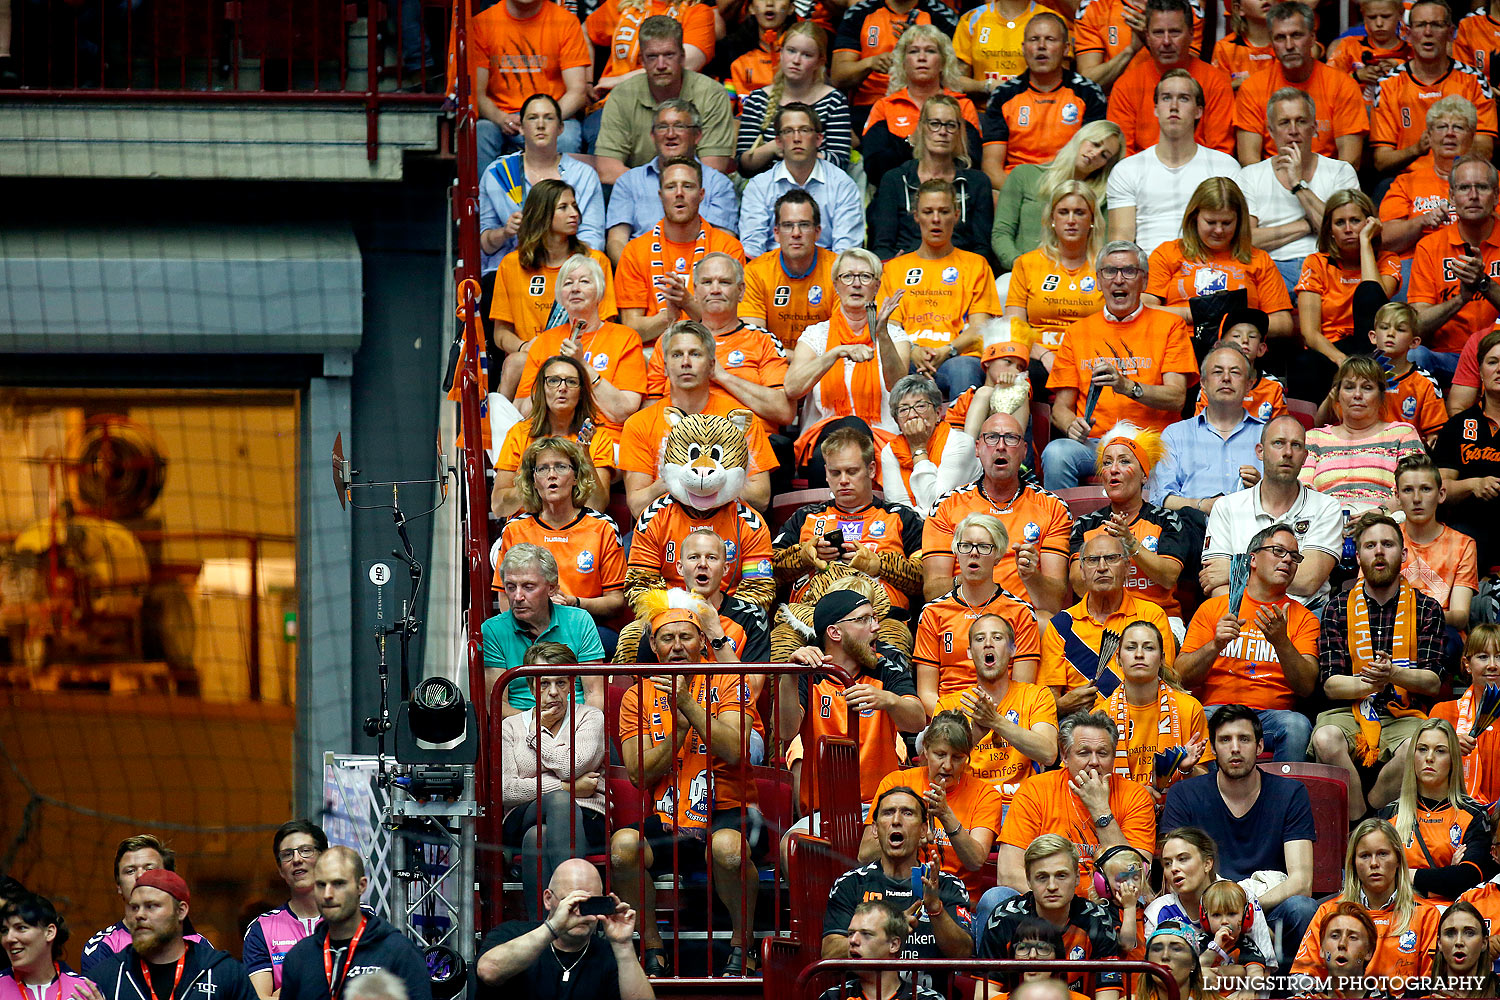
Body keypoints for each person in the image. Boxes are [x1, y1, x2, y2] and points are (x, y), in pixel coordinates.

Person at [610, 603, 765, 977]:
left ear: (701, 642)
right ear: (653, 643)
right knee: (621, 849)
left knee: (728, 850)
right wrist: (677, 734)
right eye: (667, 637)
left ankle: (743, 946)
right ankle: (652, 948)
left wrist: (687, 706)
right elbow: (638, 774)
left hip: (730, 807)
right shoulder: (637, 696)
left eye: (686, 636)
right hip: (666, 815)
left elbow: (734, 749)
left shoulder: (728, 679)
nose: (677, 646)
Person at [1311, 512, 1448, 815]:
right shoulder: (1337, 607)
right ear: (1358, 555)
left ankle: (1369, 815)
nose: (1379, 552)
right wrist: (1370, 681)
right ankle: (1361, 818)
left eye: (1387, 544)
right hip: (1349, 710)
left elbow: (1433, 681)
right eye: (1370, 546)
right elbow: (1331, 685)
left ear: (1403, 553)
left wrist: (1394, 674)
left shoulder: (1427, 608)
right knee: (1324, 737)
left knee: (1421, 745)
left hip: (1405, 714)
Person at [1159, 706, 1318, 961]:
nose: (1235, 748)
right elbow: (1174, 872)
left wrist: (1244, 910)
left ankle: (1294, 991)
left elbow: (1302, 882)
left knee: (1302, 907)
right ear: (1212, 749)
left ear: (1259, 746)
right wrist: (1223, 911)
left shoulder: (1290, 793)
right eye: (1225, 740)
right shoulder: (1185, 794)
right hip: (1205, 909)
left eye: (1244, 739)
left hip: (1268, 905)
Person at [1041, 240, 1197, 490]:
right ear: (1099, 281)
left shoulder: (1170, 325)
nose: (1119, 279)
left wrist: (1127, 386)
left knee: (1169, 461)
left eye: (1129, 271)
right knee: (1057, 452)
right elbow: (1060, 408)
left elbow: (1177, 397)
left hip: (1153, 443)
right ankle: (1062, 527)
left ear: (1144, 281)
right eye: (1110, 271)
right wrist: (1072, 424)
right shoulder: (1077, 332)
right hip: (1096, 444)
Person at [778, 590, 927, 824]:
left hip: (880, 809)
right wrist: (790, 676)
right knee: (789, 849)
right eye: (864, 619)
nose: (876, 626)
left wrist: (888, 699)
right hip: (822, 812)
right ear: (834, 632)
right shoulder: (809, 674)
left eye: (875, 618)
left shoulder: (885, 667)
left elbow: (918, 721)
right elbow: (786, 731)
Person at [1177, 527, 1319, 759]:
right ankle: (1208, 795)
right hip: (1217, 711)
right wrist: (1215, 645)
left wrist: (1281, 643)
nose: (1288, 560)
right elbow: (1181, 677)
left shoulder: (1304, 617)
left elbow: (1306, 687)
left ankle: (1284, 795)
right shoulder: (1213, 608)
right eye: (1278, 551)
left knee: (1298, 726)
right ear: (1252, 558)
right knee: (1191, 718)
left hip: (1273, 716)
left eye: (1294, 556)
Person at [617, 321, 779, 517]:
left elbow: (761, 498)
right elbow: (637, 506)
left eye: (695, 354)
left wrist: (712, 484)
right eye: (677, 355)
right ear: (665, 367)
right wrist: (679, 479)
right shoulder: (639, 423)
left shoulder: (739, 419)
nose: (685, 362)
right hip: (664, 528)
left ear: (711, 365)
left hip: (726, 529)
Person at [922, 411, 1072, 615]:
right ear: (977, 448)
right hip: (963, 615)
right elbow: (932, 592)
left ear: (1023, 450)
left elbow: (1053, 603)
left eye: (1011, 438)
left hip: (1022, 619)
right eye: (991, 438)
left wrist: (1031, 576)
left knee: (1046, 620)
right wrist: (969, 578)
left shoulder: (1053, 508)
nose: (1001, 446)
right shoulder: (947, 506)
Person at [500, 643, 607, 918]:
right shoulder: (510, 727)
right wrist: (566, 787)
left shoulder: (590, 717)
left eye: (561, 682)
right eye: (544, 682)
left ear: (572, 684)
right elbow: (507, 790)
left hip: (587, 817)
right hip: (524, 815)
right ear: (531, 686)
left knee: (539, 837)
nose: (553, 692)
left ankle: (546, 933)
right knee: (561, 799)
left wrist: (539, 735)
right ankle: (577, 912)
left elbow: (573, 766)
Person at [772, 427, 924, 618]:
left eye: (852, 471)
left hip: (881, 620)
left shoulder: (901, 517)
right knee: (782, 642)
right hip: (809, 619)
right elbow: (768, 570)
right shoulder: (804, 517)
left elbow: (924, 577)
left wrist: (878, 564)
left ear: (871, 470)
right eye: (836, 473)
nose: (843, 480)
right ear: (826, 473)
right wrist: (803, 556)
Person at [996, 711, 1157, 891]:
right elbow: (1008, 873)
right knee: (996, 896)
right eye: (1084, 752)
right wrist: (1063, 905)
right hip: (1048, 904)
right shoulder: (1035, 789)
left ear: (1113, 758)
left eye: (1103, 753)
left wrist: (1100, 809)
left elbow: (1134, 878)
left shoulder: (1135, 795)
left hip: (1111, 906)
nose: (1094, 761)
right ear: (1064, 756)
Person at [1200, 414, 1344, 610]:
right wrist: (1251, 622)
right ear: (1260, 451)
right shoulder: (1226, 507)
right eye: (1278, 443)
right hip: (1238, 615)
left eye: (1296, 445)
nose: (1287, 452)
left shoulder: (1326, 508)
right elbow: (1215, 583)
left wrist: (1235, 570)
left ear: (1305, 457)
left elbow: (1309, 580)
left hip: (1303, 614)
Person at [641, 253, 793, 437]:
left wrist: (721, 376)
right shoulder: (672, 340)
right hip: (680, 444)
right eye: (706, 282)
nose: (715, 290)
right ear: (695, 291)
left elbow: (784, 412)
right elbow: (649, 409)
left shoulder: (763, 340)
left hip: (749, 444)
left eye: (724, 282)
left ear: (741, 291)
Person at [876, 180, 1002, 400]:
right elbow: (890, 327)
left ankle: (961, 433)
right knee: (888, 365)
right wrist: (913, 350)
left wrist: (948, 350)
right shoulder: (895, 268)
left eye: (943, 211)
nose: (936, 219)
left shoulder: (976, 265)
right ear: (916, 216)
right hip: (908, 357)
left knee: (963, 369)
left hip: (957, 357)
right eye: (928, 211)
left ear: (956, 214)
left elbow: (980, 328)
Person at [822, 785, 974, 964]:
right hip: (864, 991)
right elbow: (829, 952)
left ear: (923, 830)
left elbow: (964, 952)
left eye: (907, 813)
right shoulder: (851, 883)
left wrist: (935, 909)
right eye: (888, 813)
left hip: (929, 992)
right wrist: (888, 928)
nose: (896, 820)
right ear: (875, 830)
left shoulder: (947, 885)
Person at [863, 713, 1005, 901]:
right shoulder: (896, 783)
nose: (947, 766)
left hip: (956, 899)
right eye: (940, 755)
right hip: (896, 893)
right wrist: (910, 836)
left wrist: (946, 815)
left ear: (968, 758)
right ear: (926, 751)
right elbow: (864, 854)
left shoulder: (985, 795)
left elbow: (975, 861)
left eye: (957, 757)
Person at [1105, 70, 1243, 256]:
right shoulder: (1127, 170)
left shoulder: (1225, 167)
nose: (1174, 106)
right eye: (1166, 98)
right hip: (1149, 271)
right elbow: (1121, 243)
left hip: (1208, 269)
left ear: (1198, 111)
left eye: (1184, 98)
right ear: (1155, 108)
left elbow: (1237, 238)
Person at [507, 253, 645, 436]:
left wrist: (582, 365)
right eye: (568, 283)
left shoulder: (625, 338)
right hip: (549, 440)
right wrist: (555, 375)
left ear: (600, 292)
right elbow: (523, 411)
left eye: (584, 282)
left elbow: (624, 411)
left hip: (603, 439)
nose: (575, 289)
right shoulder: (544, 341)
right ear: (560, 297)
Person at [1069, 424, 1195, 624]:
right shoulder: (1086, 525)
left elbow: (1169, 576)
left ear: (1144, 475)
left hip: (1159, 619)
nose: (1113, 470)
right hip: (1101, 620)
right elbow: (1079, 585)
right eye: (1107, 463)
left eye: (1124, 461)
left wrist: (1130, 543)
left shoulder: (1167, 519)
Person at [475, 859, 653, 1000]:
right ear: (548, 899)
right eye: (571, 902)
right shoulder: (512, 933)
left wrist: (623, 945)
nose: (578, 912)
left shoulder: (609, 954)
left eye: (589, 904)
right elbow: (488, 971)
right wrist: (553, 928)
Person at [613, 159, 745, 348]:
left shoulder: (727, 249)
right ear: (660, 195)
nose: (679, 194)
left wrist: (687, 302)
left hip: (716, 349)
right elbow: (632, 330)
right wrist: (669, 316)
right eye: (670, 187)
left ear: (701, 195)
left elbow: (730, 325)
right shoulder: (635, 251)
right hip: (652, 353)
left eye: (688, 186)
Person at [916, 514, 1043, 711]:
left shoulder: (1021, 612)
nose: (973, 553)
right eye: (966, 545)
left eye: (984, 547)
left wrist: (992, 720)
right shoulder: (933, 612)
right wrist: (958, 722)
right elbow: (926, 694)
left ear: (998, 556)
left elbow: (1023, 691)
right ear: (956, 553)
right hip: (949, 720)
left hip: (1003, 718)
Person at [1144, 176, 1294, 342]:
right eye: (1210, 222)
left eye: (1227, 222)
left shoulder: (1259, 259)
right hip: (1179, 342)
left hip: (1237, 347)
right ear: (1195, 218)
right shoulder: (1168, 252)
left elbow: (1283, 324)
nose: (1219, 230)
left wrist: (1232, 321)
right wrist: (1196, 314)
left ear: (1239, 221)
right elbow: (1144, 309)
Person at [1041, 532, 1177, 714]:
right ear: (1081, 571)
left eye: (1111, 558)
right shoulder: (1062, 625)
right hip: (1080, 725)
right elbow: (1049, 699)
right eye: (1093, 560)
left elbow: (1164, 680)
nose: (1102, 567)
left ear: (1127, 567)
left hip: (1141, 715)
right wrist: (1063, 706)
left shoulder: (1150, 615)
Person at [1242, 89, 1363, 293]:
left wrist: (1298, 185)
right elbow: (1246, 240)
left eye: (1301, 121)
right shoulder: (1250, 175)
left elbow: (1345, 233)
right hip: (1271, 268)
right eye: (1284, 123)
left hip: (1329, 266)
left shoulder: (1340, 171)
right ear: (1270, 131)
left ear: (1314, 127)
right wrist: (1307, 225)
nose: (1293, 130)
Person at [1291, 818, 1441, 981]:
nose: (1374, 863)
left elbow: (1432, 986)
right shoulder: (1328, 912)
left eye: (1383, 854)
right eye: (1365, 856)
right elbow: (1302, 978)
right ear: (1353, 863)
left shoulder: (1426, 915)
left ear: (1398, 859)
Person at [976, 835, 1123, 1000]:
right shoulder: (1004, 918)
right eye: (1042, 877)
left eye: (1061, 875)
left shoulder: (1098, 920)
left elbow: (1108, 997)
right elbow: (983, 995)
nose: (1052, 886)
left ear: (1076, 878)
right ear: (1029, 881)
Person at [591, 17, 735, 185]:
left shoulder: (711, 94)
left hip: (697, 195)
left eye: (668, 55)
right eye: (652, 56)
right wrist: (659, 190)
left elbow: (713, 169)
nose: (661, 65)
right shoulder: (622, 94)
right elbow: (607, 170)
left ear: (682, 57)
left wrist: (672, 191)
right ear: (642, 61)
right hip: (638, 193)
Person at [783, 248, 908, 440]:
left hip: (882, 443)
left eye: (865, 277)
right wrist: (835, 353)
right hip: (824, 445)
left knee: (858, 433)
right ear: (836, 285)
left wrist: (881, 333)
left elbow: (898, 388)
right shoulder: (815, 335)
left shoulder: (895, 336)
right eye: (847, 276)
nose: (856, 284)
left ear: (877, 286)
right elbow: (792, 389)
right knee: (849, 430)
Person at [490, 181, 617, 365]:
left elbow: (606, 324)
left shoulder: (595, 261)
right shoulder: (511, 265)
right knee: (515, 363)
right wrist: (525, 347)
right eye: (563, 207)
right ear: (542, 213)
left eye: (574, 206)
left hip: (581, 356)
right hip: (528, 358)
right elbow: (501, 333)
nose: (574, 214)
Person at [936, 614, 1059, 803]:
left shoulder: (1036, 696)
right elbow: (939, 763)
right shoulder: (949, 703)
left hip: (1021, 804)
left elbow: (1049, 753)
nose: (988, 644)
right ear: (969, 652)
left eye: (997, 637)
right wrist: (975, 733)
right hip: (969, 804)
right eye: (979, 638)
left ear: (1013, 650)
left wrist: (995, 721)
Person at [602, 99, 740, 263]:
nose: (670, 134)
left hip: (700, 275)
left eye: (679, 126)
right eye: (662, 127)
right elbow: (616, 241)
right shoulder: (629, 182)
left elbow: (724, 244)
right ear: (653, 136)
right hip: (642, 271)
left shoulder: (718, 184)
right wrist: (642, 275)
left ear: (697, 135)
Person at [279, 850, 430, 1000]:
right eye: (320, 885)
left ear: (361, 886)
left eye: (338, 883)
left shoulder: (399, 952)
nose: (327, 894)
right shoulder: (299, 956)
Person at [979, 14, 1108, 189]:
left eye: (1050, 39)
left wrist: (1059, 193)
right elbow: (991, 167)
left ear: (1065, 49)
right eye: (1034, 39)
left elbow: (1093, 161)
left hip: (1070, 187)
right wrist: (1021, 195)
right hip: (1016, 188)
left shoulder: (1088, 93)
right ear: (1024, 48)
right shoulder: (1003, 96)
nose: (1041, 46)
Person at [1370, 0, 1498, 177]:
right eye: (1421, 25)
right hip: (1409, 181)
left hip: (1462, 178)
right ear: (1407, 33)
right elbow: (1381, 161)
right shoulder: (1388, 84)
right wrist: (1416, 149)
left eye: (1436, 25)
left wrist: (1451, 155)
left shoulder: (1474, 80)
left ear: (1451, 33)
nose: (1428, 32)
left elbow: (1485, 148)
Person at [478, 94, 603, 273]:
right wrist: (506, 232)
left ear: (561, 128)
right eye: (532, 118)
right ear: (521, 127)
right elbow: (485, 245)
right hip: (511, 271)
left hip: (568, 273)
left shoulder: (583, 175)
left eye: (549, 118)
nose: (541, 125)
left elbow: (593, 239)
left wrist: (559, 264)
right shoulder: (498, 172)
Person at [1374, 718, 1497, 900]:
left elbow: (1467, 878)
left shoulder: (1474, 815)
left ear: (1453, 759)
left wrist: (1404, 874)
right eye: (1422, 749)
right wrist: (1445, 873)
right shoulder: (1389, 814)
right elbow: (1374, 876)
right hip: (1396, 915)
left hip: (1451, 920)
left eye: (1440, 751)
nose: (1429, 757)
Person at [1231, 2, 1366, 168]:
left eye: (1296, 35)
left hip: (1328, 182)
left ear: (1312, 38)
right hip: (1272, 181)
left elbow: (1350, 162)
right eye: (1280, 38)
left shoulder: (1342, 85)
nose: (1289, 46)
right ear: (1271, 43)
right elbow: (1249, 161)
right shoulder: (1253, 87)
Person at [1293, 192, 1403, 395]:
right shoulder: (1316, 263)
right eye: (1340, 223)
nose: (1349, 229)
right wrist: (1342, 360)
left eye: (1355, 221)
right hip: (1330, 349)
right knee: (1303, 363)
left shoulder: (1388, 260)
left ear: (1370, 224)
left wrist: (1365, 243)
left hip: (1373, 345)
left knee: (1368, 292)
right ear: (1330, 230)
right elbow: (1310, 333)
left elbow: (1375, 297)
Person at [88, 870, 254, 1000]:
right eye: (134, 907)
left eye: (151, 906)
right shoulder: (104, 978)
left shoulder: (224, 973)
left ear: (181, 911)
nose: (139, 915)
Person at [482, 542, 606, 713]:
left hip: (576, 726)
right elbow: (496, 705)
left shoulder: (579, 620)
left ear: (552, 588)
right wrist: (541, 730)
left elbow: (595, 694)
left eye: (528, 587)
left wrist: (574, 729)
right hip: (521, 730)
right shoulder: (492, 630)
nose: (517, 597)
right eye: (511, 587)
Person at [872, 95, 995, 266]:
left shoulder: (977, 183)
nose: (942, 132)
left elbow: (983, 248)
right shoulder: (895, 180)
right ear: (921, 128)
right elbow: (882, 247)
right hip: (906, 270)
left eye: (950, 125)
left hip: (961, 271)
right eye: (935, 124)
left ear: (960, 131)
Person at [1410, 157, 1500, 385]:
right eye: (1464, 188)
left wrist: (1484, 283)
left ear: (1496, 196)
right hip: (1449, 356)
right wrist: (1461, 299)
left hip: (1498, 356)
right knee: (1414, 355)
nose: (1473, 195)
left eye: (1482, 187)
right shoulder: (1430, 246)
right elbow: (1417, 324)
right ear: (1451, 197)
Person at [1106, 0, 1235, 156]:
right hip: (1142, 176)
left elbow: (1220, 153)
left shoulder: (1216, 82)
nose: (1166, 42)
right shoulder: (1126, 85)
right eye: (1158, 33)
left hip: (1202, 175)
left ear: (1191, 33)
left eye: (1174, 32)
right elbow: (1122, 157)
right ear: (1147, 35)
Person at [993, 121, 1124, 274]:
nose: (1094, 153)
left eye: (1104, 155)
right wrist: (1019, 265)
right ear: (1080, 138)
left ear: (1106, 165)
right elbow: (1001, 233)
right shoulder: (1024, 175)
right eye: (1095, 144)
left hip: (1079, 278)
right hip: (1024, 271)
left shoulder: (1102, 198)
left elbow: (1104, 245)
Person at [861, 26, 983, 190]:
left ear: (943, 63)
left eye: (930, 51)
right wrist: (920, 145)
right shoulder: (884, 106)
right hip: (897, 192)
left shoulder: (962, 105)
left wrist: (904, 148)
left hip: (952, 191)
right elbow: (875, 167)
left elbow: (971, 161)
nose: (922, 57)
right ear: (903, 63)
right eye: (913, 51)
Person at [468, 0, 589, 165]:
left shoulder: (565, 21)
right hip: (502, 117)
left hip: (553, 113)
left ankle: (557, 192)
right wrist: (500, 117)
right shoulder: (483, 23)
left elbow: (578, 91)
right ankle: (487, 192)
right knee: (480, 133)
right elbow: (476, 93)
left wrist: (545, 119)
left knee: (567, 137)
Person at [493, 361, 617, 520]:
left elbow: (597, 506)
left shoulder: (596, 437)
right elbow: (499, 507)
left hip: (576, 531)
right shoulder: (519, 433)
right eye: (553, 380)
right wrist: (536, 479)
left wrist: (584, 456)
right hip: (526, 530)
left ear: (581, 392)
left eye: (571, 382)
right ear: (542, 390)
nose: (562, 387)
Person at [1300, 357, 1425, 513]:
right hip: (1326, 525)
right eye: (1349, 387)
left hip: (1386, 524)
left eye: (1367, 388)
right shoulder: (1314, 438)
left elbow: (1415, 487)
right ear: (1337, 394)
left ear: (1381, 396)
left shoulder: (1403, 434)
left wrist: (1379, 513)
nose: (1357, 395)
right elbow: (1301, 492)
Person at [738, 104, 862, 261]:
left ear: (818, 139)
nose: (796, 138)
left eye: (804, 130)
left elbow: (846, 252)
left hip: (828, 273)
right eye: (788, 131)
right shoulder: (759, 186)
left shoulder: (842, 184)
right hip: (771, 272)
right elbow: (752, 249)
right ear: (779, 142)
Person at [1002, 182, 1104, 374]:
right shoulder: (1027, 263)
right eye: (1063, 212)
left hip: (1092, 357)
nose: (1071, 220)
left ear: (1092, 219)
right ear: (1052, 219)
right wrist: (1044, 355)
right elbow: (1014, 328)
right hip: (1038, 358)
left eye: (1080, 212)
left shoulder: (1107, 266)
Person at [1095, 621, 1210, 791]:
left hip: (1176, 810)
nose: (1139, 654)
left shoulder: (1190, 708)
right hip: (1120, 811)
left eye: (1148, 648)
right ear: (1118, 659)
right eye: (1131, 647)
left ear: (1162, 659)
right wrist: (1136, 797)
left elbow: (1206, 784)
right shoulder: (1100, 716)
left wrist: (1186, 770)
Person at [1151, 343, 1265, 513]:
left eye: (1235, 372)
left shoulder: (1267, 434)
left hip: (1255, 528)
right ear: (1203, 383)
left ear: (1249, 384)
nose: (1226, 378)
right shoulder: (1176, 435)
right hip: (1191, 530)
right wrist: (1202, 505)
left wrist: (1263, 489)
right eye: (1217, 372)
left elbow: (1289, 497)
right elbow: (1160, 498)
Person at [1144, 829, 1278, 972]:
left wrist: (1226, 977)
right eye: (1167, 863)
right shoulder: (1157, 911)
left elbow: (1265, 972)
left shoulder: (1243, 896)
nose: (1174, 868)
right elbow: (1157, 976)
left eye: (1183, 859)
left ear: (1207, 863)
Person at [737, 22, 853, 176]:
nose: (796, 60)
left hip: (821, 188)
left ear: (820, 61)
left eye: (807, 55)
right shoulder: (758, 99)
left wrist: (798, 153)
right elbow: (743, 166)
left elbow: (841, 162)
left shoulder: (834, 100)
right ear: (781, 53)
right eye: (791, 51)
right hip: (768, 189)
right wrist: (774, 147)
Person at [82, 836, 206, 976]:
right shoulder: (103, 947)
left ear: (170, 880)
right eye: (130, 871)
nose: (140, 876)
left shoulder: (198, 944)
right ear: (119, 886)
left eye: (150, 869)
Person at [830, 0, 958, 135]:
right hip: (869, 104)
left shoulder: (941, 15)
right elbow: (838, 77)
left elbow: (953, 74)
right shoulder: (860, 12)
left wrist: (919, 43)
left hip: (926, 104)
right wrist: (870, 63)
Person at [1379, 97, 1476, 265]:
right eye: (1442, 127)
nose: (1450, 133)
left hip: (1476, 260)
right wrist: (1422, 221)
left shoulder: (1492, 180)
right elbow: (1385, 240)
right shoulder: (1406, 182)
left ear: (1472, 137)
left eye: (1458, 127)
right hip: (1416, 263)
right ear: (1429, 137)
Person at [740, 191, 840, 353]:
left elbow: (842, 338)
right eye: (787, 225)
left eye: (804, 225)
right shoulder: (756, 271)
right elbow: (754, 342)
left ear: (817, 232)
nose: (796, 233)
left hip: (826, 364)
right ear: (776, 233)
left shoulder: (838, 269)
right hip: (771, 364)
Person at [1434, 329, 1500, 575]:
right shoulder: (1458, 425)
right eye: (1492, 362)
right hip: (1470, 523)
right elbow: (1439, 488)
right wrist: (1473, 485)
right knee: (1461, 539)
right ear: (1480, 372)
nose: (1499, 369)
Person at [1391, 453, 1478, 634]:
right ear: (1397, 497)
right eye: (1408, 490)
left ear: (1441, 494)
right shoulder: (1385, 540)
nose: (1416, 498)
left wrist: (1419, 615)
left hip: (1442, 633)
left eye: (1425, 489)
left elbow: (1460, 616)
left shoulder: (1463, 545)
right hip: (1392, 630)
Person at [244, 821, 328, 999]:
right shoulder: (262, 928)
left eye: (306, 850)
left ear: (324, 859)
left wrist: (285, 992)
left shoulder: (355, 916)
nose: (297, 860)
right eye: (287, 855)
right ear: (280, 870)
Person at [879, 375, 982, 513]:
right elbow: (899, 511)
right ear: (897, 422)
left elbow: (935, 505)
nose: (912, 415)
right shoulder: (890, 452)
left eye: (921, 406)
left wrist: (918, 448)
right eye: (903, 409)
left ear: (938, 413)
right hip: (911, 530)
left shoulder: (960, 443)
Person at [816, 900, 947, 1000]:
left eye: (866, 934)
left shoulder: (927, 999)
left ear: (894, 945)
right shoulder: (833, 997)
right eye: (850, 933)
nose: (852, 940)